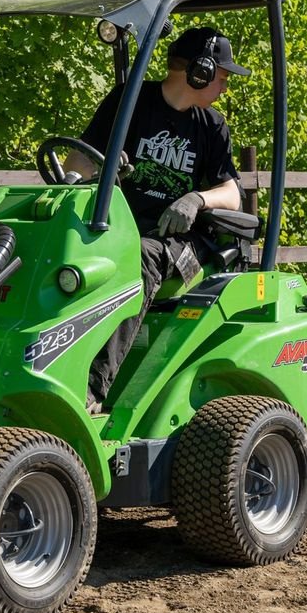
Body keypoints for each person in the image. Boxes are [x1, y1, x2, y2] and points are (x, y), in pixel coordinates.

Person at [64, 26, 247, 408]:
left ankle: (92, 392)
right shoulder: (130, 102)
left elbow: (233, 195)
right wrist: (93, 175)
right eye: (223, 77)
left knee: (142, 255)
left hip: (179, 245)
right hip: (115, 228)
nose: (225, 86)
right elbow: (77, 164)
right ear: (201, 71)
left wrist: (196, 199)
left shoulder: (212, 127)